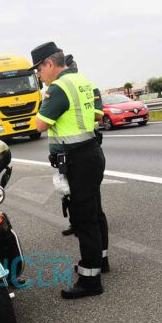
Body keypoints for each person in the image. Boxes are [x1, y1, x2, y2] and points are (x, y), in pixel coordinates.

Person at [30, 42, 109, 299]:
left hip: (78, 160)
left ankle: (90, 280)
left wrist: (42, 106)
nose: (39, 76)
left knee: (84, 220)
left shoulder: (59, 88)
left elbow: (40, 125)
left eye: (39, 70)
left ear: (49, 64)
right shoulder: (83, 81)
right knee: (95, 212)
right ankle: (101, 261)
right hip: (92, 153)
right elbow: (98, 116)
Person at [61, 54, 105, 237]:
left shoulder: (89, 87)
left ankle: (89, 222)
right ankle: (75, 222)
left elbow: (98, 114)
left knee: (90, 193)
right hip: (70, 146)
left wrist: (75, 114)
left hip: (87, 142)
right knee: (68, 191)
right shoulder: (62, 89)